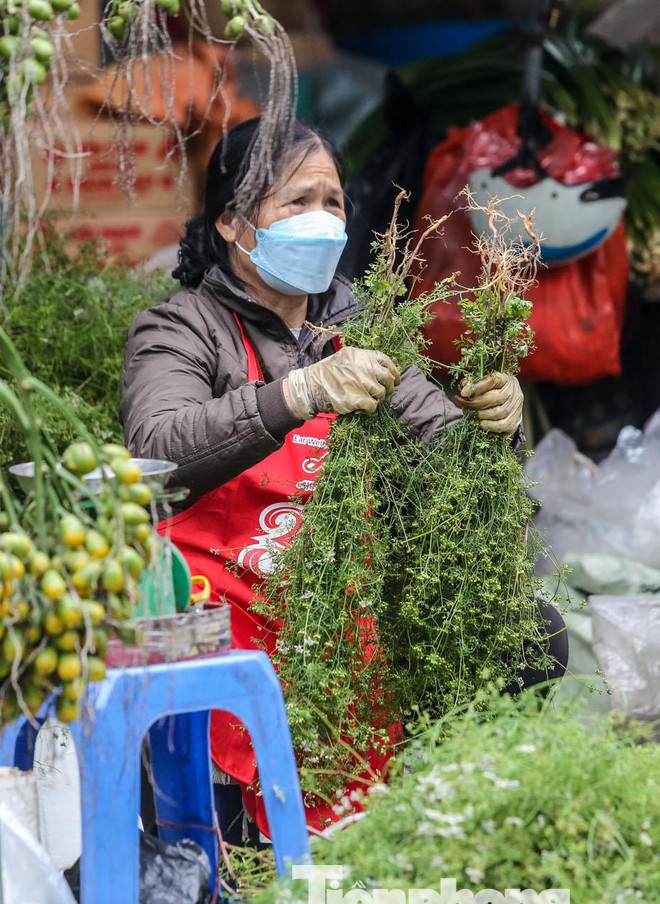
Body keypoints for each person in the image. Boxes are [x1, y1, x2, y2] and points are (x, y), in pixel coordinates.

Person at [119, 117, 567, 837]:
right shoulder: (180, 329)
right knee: (232, 838)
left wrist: (497, 425)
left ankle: (443, 813)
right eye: (296, 203)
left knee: (526, 635)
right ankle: (241, 835)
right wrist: (296, 393)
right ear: (234, 224)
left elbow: (445, 452)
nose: (322, 220)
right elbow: (158, 452)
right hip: (224, 607)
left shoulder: (358, 324)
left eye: (333, 203)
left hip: (338, 596)